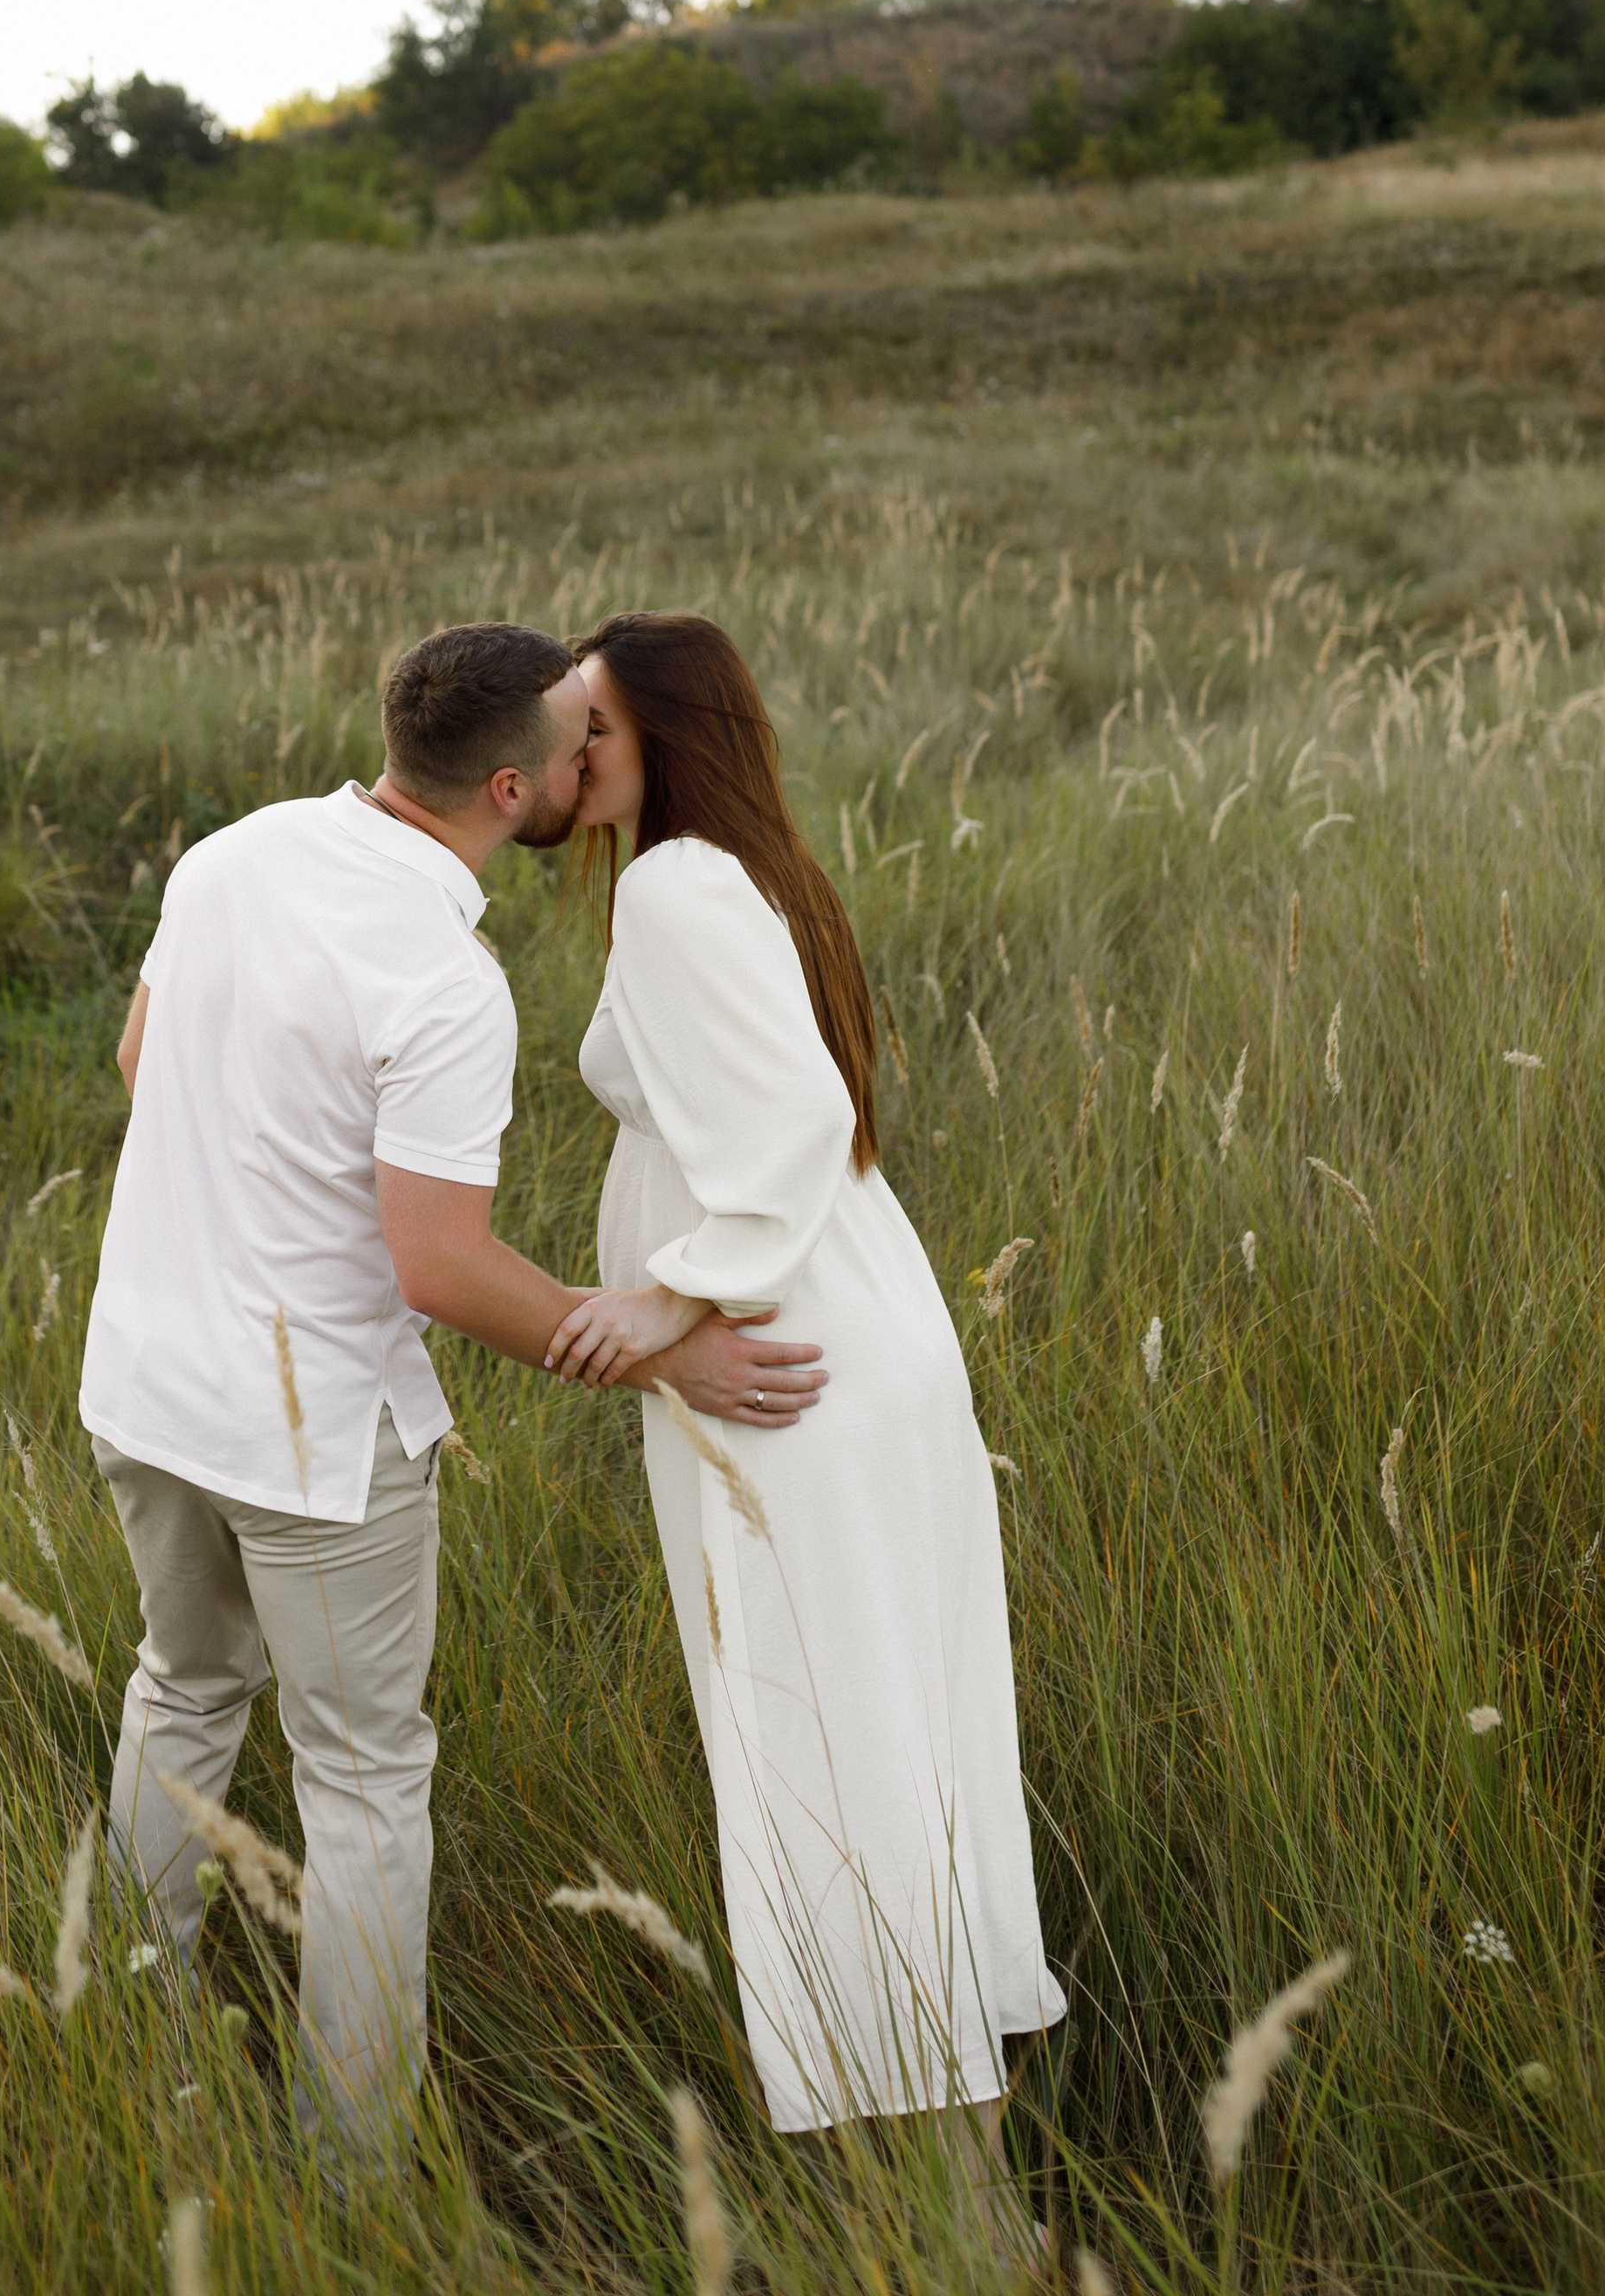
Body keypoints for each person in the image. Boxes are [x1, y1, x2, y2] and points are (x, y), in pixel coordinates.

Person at [78, 619, 828, 2148]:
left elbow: (142, 1062)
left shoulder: (232, 852)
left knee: (183, 1689)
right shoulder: (444, 978)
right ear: (508, 785)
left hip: (146, 1386)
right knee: (361, 1787)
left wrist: (256, 1189)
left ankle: (112, 2029)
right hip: (314, 1441)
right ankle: (352, 2166)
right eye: (575, 745)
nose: (590, 763)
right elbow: (440, 1266)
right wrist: (664, 1345)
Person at [543, 609, 1065, 2215]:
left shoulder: (677, 885)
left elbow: (798, 1115)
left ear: (670, 744)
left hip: (790, 1369)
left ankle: (945, 2213)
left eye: (598, 733)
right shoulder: (747, 871)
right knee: (891, 1750)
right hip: (846, 1332)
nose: (572, 760)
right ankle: (956, 2187)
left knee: (829, 1762)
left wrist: (672, 1299)